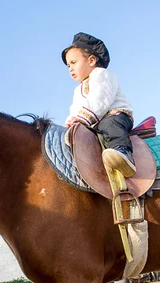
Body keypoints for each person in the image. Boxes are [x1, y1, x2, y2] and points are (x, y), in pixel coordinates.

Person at [62, 32, 136, 178]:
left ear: (91, 60)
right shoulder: (78, 90)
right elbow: (75, 108)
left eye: (73, 63)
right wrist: (71, 121)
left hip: (115, 115)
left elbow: (100, 100)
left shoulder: (101, 75)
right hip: (94, 122)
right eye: (68, 65)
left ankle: (123, 153)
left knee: (110, 125)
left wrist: (82, 119)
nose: (70, 68)